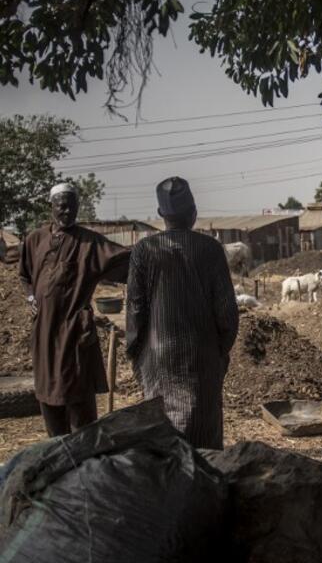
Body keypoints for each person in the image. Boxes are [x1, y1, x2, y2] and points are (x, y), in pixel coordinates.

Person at [126, 177, 238, 449]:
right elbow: (226, 311)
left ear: (161, 215)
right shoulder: (210, 249)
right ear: (193, 212)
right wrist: (220, 350)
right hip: (202, 354)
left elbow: (135, 310)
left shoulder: (143, 250)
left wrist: (135, 353)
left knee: (165, 436)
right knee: (204, 435)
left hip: (157, 357)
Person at [19, 183, 130, 436]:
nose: (68, 211)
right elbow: (24, 274)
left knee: (78, 398)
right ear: (51, 207)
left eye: (73, 206)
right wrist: (29, 297)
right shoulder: (35, 239)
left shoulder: (89, 243)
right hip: (44, 333)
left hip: (74, 333)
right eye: (62, 206)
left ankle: (84, 458)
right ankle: (57, 451)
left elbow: (126, 259)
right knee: (47, 395)